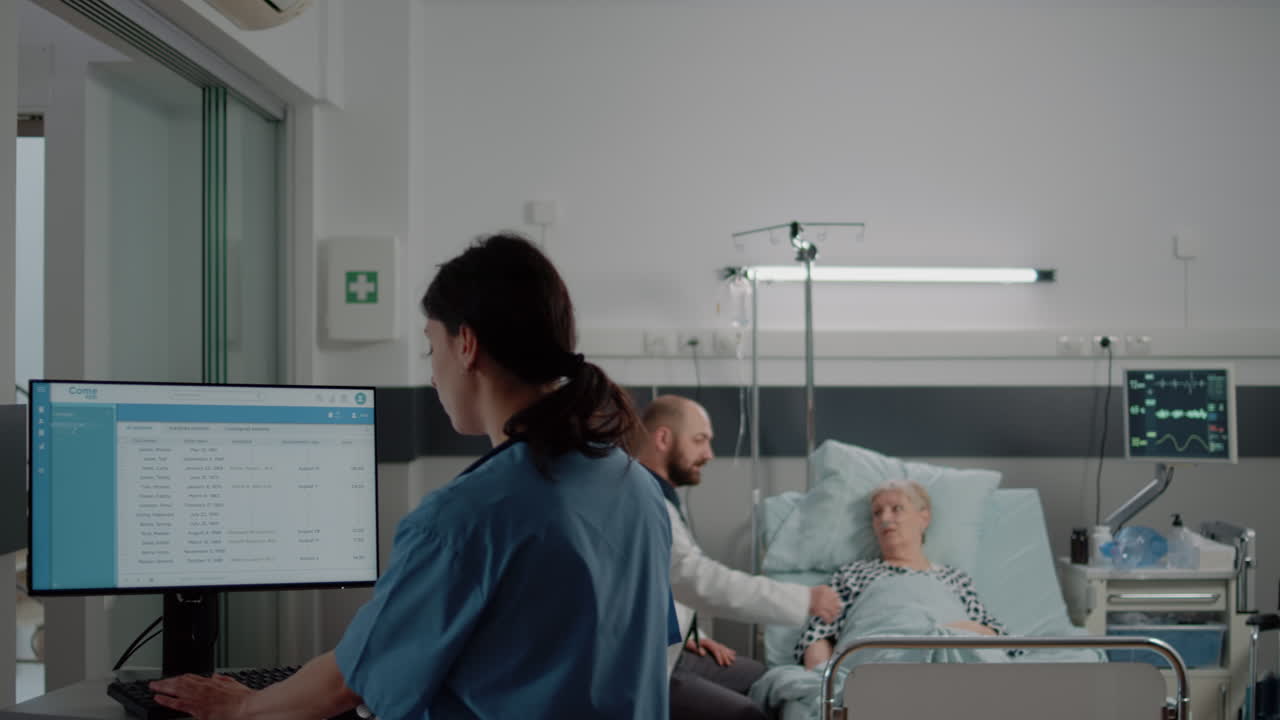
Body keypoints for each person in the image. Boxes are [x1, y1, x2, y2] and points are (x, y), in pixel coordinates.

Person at [150, 234, 679, 719]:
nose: (432, 372)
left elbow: (347, 683)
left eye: (432, 346)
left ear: (466, 344)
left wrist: (242, 707)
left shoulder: (463, 519)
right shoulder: (638, 489)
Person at [634, 395, 842, 720]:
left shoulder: (657, 495)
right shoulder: (643, 503)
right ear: (663, 438)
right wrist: (805, 599)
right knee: (747, 714)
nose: (709, 454)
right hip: (646, 667)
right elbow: (694, 579)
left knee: (765, 679)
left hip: (674, 646)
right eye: (700, 440)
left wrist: (692, 633)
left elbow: (659, 581)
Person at [795, 479, 1005, 670]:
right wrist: (823, 684)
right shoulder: (853, 574)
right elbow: (817, 635)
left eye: (897, 509)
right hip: (879, 666)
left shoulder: (956, 579)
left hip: (956, 663)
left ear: (924, 517)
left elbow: (994, 636)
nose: (885, 518)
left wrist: (945, 634)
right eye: (877, 513)